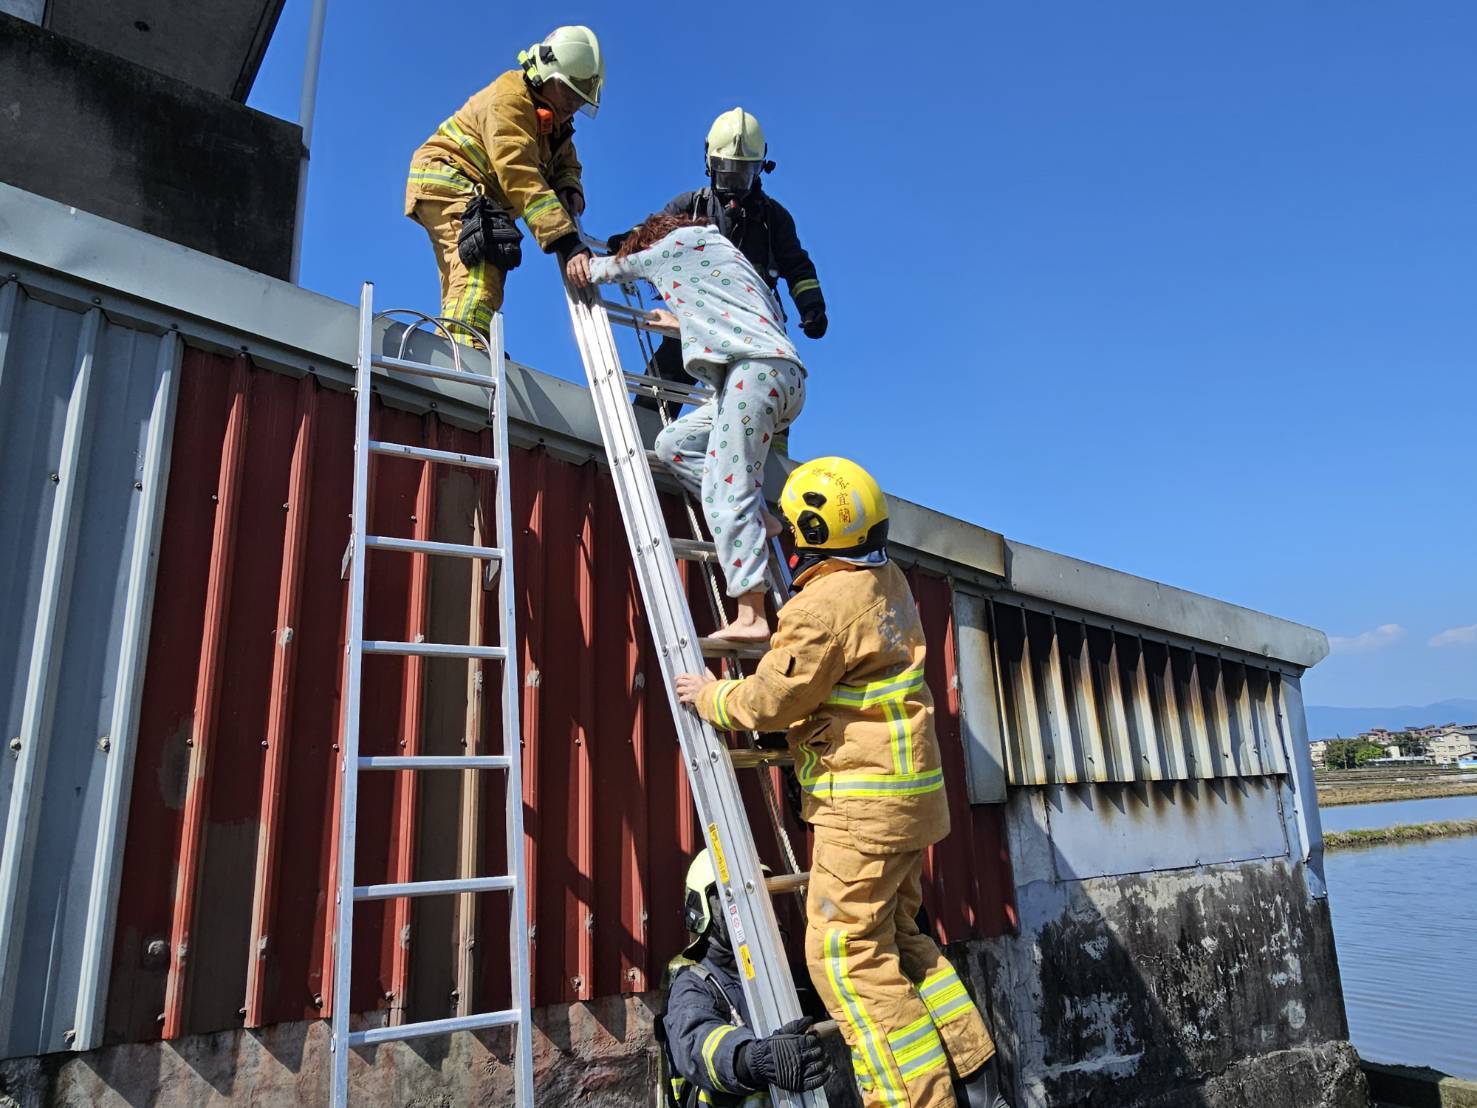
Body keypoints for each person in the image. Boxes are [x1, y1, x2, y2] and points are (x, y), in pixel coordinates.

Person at [672, 458, 1012, 1108]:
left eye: (785, 524)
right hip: (910, 802)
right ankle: (973, 1064)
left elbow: (772, 700)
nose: (776, 531)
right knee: (901, 934)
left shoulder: (818, 607)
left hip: (861, 810)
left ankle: (914, 1099)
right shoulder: (887, 580)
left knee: (844, 956)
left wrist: (714, 696)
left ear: (809, 532)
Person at [567, 212, 805, 642]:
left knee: (725, 487)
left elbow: (619, 268)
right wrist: (681, 325)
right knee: (673, 443)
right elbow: (739, 315)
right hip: (778, 376)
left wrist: (579, 261)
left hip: (753, 374)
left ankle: (752, 615)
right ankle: (759, 517)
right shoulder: (724, 255)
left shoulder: (677, 244)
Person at [612, 108, 826, 414]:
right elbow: (652, 231)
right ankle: (645, 428)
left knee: (763, 402)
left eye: (744, 173)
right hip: (695, 320)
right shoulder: (691, 205)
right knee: (659, 389)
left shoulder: (774, 219)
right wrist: (624, 243)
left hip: (754, 331)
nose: (736, 183)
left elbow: (797, 266)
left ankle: (770, 457)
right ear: (710, 165)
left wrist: (812, 306)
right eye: (728, 173)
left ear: (760, 168)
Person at [403, 25, 603, 344]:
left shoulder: (554, 124)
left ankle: (464, 342)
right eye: (568, 92)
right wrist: (566, 241)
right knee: (482, 259)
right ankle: (467, 353)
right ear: (546, 74)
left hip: (474, 189)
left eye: (580, 98)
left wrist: (569, 185)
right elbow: (518, 170)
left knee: (475, 271)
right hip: (451, 176)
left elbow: (565, 161)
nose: (573, 105)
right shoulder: (511, 99)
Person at [656, 851, 833, 1107]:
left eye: (760, 899)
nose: (756, 912)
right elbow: (696, 1045)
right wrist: (752, 1059)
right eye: (736, 902)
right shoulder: (695, 984)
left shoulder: (790, 978)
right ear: (705, 910)